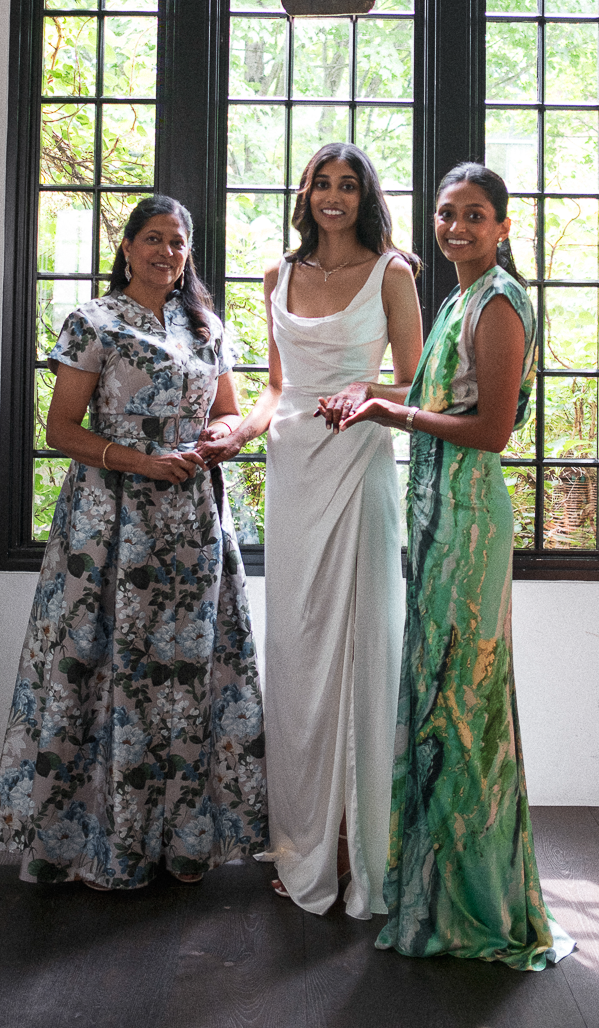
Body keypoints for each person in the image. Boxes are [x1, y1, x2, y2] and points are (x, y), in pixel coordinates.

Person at [0, 195, 268, 889]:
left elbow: (232, 413)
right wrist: (142, 462)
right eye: (151, 238)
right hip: (109, 525)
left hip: (193, 527)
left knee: (183, 677)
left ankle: (182, 836)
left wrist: (228, 437)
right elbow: (61, 429)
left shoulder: (206, 326)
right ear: (128, 246)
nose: (165, 251)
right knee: (105, 666)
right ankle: (88, 839)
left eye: (177, 241)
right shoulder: (93, 321)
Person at [341, 162, 574, 968]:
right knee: (441, 698)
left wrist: (388, 409)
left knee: (463, 706)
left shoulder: (501, 303)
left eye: (475, 216)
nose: (457, 229)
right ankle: (439, 885)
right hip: (439, 513)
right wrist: (364, 391)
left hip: (471, 517)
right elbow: (433, 398)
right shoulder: (456, 301)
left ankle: (477, 907)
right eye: (446, 215)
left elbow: (491, 431)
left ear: (503, 227)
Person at [203, 144, 423, 919]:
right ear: (305, 194)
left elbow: (417, 382)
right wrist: (237, 433)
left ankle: (362, 846)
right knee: (297, 646)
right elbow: (273, 390)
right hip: (294, 466)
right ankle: (300, 841)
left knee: (359, 642)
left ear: (366, 197)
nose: (334, 196)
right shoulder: (276, 275)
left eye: (348, 184)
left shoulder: (393, 272)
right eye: (322, 184)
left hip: (360, 463)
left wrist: (367, 391)